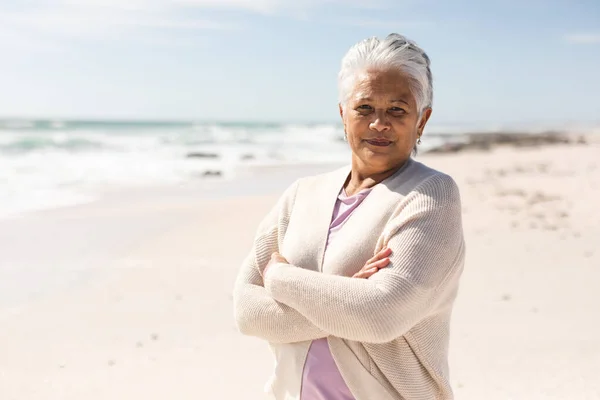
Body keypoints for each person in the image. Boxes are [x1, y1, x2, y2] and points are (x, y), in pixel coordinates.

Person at [232, 33, 466, 400]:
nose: (379, 123)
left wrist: (280, 277)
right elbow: (246, 310)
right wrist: (345, 300)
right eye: (365, 108)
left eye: (398, 110)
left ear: (422, 120)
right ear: (343, 114)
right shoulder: (301, 194)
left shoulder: (430, 195)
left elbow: (381, 314)